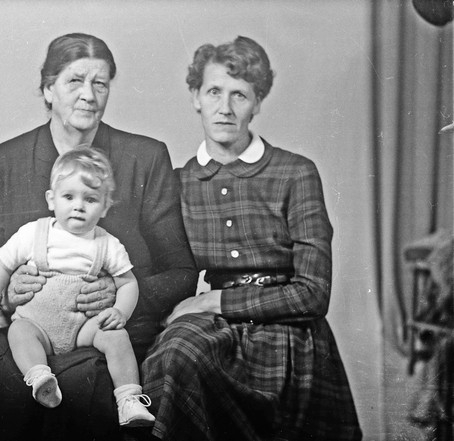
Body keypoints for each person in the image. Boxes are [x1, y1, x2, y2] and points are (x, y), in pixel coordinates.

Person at [0, 33, 197, 441]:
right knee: (4, 382)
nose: (88, 95)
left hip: (109, 329)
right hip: (29, 328)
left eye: (99, 83)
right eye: (74, 81)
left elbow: (182, 272)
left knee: (91, 384)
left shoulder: (144, 157)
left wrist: (118, 296)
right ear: (48, 89)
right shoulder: (7, 160)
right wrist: (6, 293)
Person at [141, 36, 362, 440]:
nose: (225, 108)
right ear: (195, 97)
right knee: (175, 356)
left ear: (257, 102)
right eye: (214, 92)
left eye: (239, 95)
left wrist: (212, 300)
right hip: (213, 333)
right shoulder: (178, 182)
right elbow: (164, 273)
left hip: (289, 334)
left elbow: (314, 294)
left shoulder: (296, 173)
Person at [0, 148, 156, 427]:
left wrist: (120, 311)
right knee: (19, 331)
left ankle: (129, 399)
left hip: (83, 327)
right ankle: (40, 377)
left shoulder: (107, 244)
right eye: (69, 197)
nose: (78, 206)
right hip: (37, 323)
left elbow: (127, 282)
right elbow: (1, 268)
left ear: (105, 207)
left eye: (90, 199)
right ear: (51, 199)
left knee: (117, 336)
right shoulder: (33, 233)